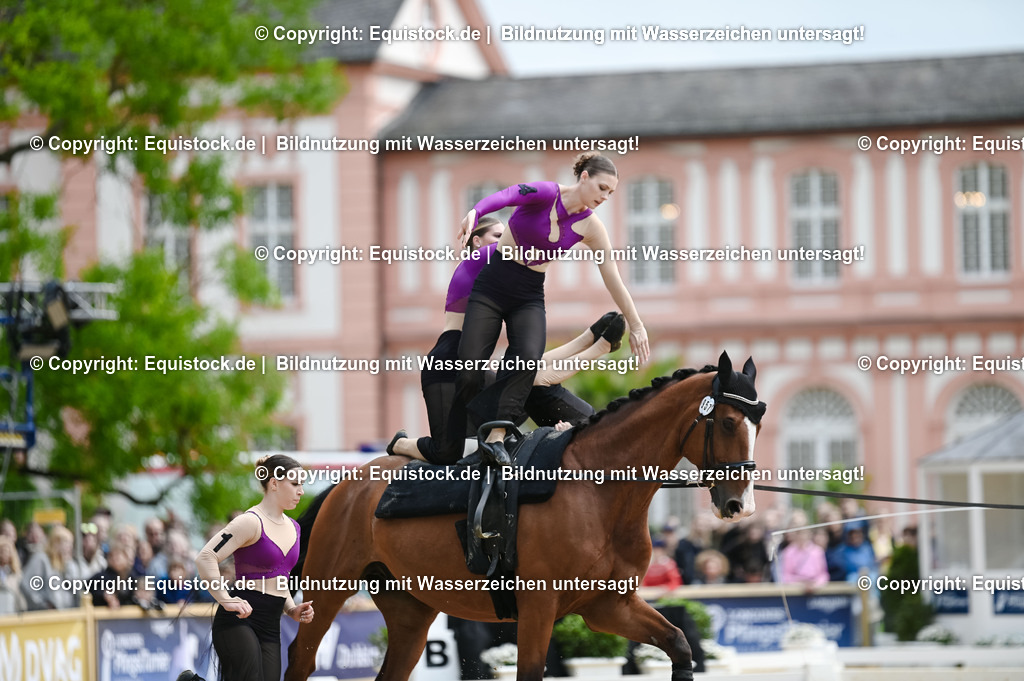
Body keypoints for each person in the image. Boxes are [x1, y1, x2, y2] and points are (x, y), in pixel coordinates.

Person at [448, 152, 650, 464]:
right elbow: (505, 195)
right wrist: (476, 212)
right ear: (584, 177)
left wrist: (636, 324)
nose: (605, 197)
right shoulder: (545, 194)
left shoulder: (591, 227)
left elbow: (613, 277)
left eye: (611, 193)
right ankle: (468, 438)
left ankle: (497, 437)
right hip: (493, 284)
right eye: (602, 188)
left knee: (526, 362)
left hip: (529, 295)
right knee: (469, 369)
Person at [388, 215, 627, 463]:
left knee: (523, 374)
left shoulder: (500, 274)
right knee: (446, 452)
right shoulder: (475, 260)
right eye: (499, 236)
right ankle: (401, 443)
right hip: (446, 364)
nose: (506, 241)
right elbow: (527, 246)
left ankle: (589, 342)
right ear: (478, 241)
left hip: (473, 367)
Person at [195, 455, 313, 681]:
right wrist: (225, 599)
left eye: (302, 485)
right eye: (295, 484)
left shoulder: (295, 528)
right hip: (239, 619)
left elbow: (280, 576)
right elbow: (205, 557)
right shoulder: (249, 521)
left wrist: (291, 609)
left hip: (271, 624)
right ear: (274, 483)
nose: (301, 491)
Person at [21, 525, 80, 610]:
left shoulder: (69, 564)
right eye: (66, 542)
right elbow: (26, 585)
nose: (70, 547)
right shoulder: (41, 559)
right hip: (44, 617)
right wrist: (43, 604)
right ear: (56, 543)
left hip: (66, 615)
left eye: (71, 543)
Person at [778, 511, 829, 589]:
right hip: (795, 592)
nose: (802, 535)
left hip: (815, 592)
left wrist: (815, 585)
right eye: (799, 532)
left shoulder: (817, 551)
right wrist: (800, 583)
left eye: (804, 532)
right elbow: (785, 576)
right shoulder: (788, 552)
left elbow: (823, 575)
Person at [0, 536, 26, 614]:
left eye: (7, 551)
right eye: (2, 551)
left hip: (12, 609)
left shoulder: (16, 573)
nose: (5, 554)